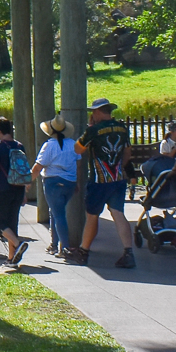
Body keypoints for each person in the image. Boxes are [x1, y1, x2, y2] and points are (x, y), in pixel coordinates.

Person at [73, 98, 136, 268]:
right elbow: (128, 152)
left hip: (99, 180)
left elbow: (78, 149)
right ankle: (128, 252)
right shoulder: (122, 128)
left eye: (93, 112)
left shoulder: (94, 130)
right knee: (118, 213)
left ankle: (83, 251)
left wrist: (89, 127)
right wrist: (119, 167)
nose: (92, 115)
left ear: (98, 112)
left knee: (92, 215)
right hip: (118, 178)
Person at [0, 117, 29, 269]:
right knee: (12, 223)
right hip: (18, 188)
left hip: (2, 189)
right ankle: (11, 258)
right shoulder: (19, 146)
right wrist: (25, 192)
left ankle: (18, 243)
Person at [31, 117, 79, 261]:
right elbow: (79, 165)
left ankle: (64, 248)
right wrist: (77, 183)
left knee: (58, 215)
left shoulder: (49, 145)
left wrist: (27, 182)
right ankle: (54, 244)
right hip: (70, 182)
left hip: (53, 183)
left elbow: (38, 167)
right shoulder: (73, 144)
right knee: (56, 212)